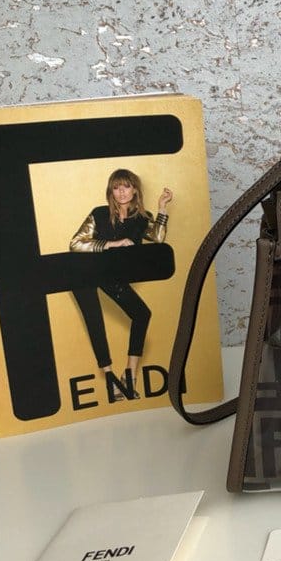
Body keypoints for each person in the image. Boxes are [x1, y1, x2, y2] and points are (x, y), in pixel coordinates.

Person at [70, 169, 173, 401]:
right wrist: (113, 244)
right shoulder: (99, 213)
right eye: (116, 188)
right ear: (111, 191)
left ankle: (129, 377)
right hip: (86, 273)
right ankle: (111, 381)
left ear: (135, 189)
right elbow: (75, 243)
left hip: (113, 276)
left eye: (126, 186)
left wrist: (162, 208)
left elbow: (158, 238)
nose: (121, 192)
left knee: (142, 314)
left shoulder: (141, 218)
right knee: (94, 319)